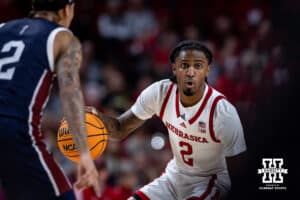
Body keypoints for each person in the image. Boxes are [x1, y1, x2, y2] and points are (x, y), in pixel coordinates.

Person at [89, 40, 247, 199]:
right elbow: (119, 129)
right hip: (174, 177)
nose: (191, 72)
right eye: (185, 65)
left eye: (198, 66)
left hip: (210, 182)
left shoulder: (222, 111)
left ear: (207, 70)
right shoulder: (160, 92)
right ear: (174, 69)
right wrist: (97, 119)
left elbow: (240, 169)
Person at [0, 0, 100, 199]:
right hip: (15, 131)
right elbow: (71, 96)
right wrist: (84, 155)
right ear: (67, 9)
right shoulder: (62, 37)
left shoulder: (2, 28)